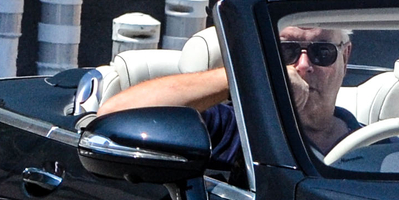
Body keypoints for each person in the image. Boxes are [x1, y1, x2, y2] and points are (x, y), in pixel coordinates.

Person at [100, 21, 362, 166]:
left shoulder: (376, 146)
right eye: (286, 51)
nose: (304, 66)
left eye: (322, 52)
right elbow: (112, 115)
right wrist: (244, 77)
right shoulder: (231, 126)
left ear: (345, 57)